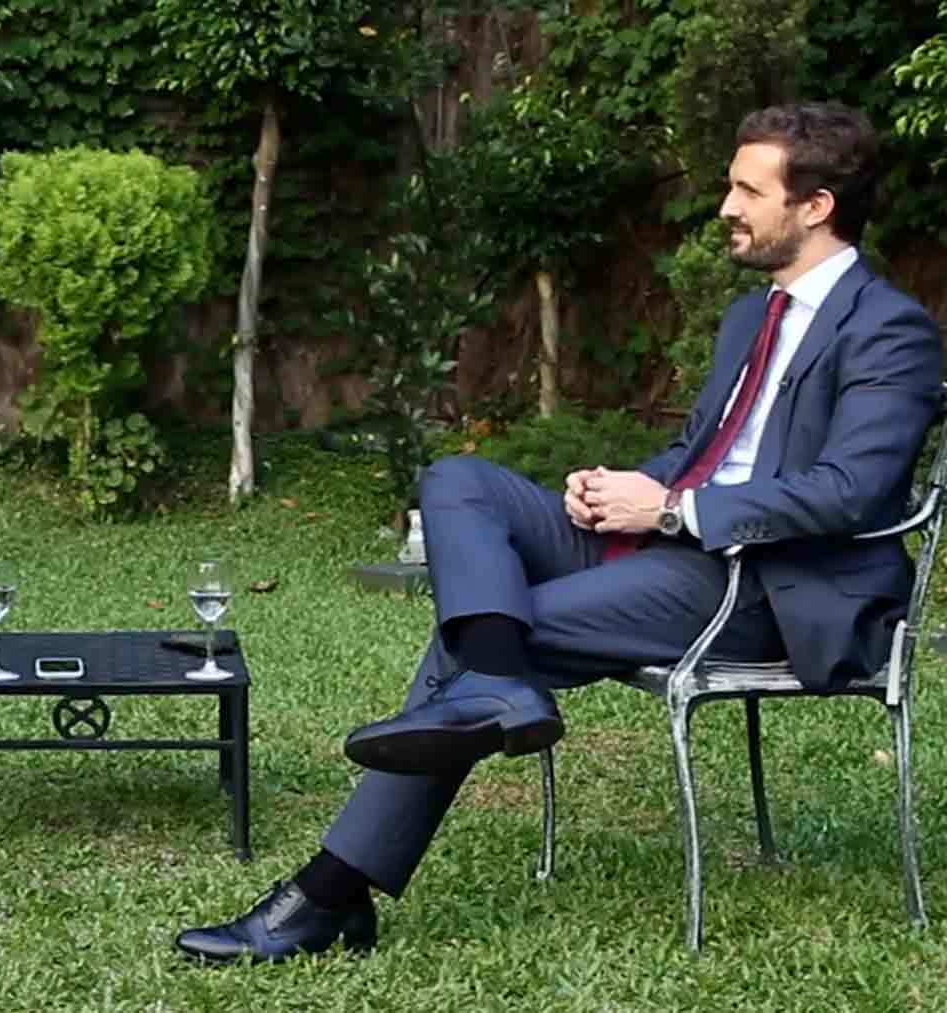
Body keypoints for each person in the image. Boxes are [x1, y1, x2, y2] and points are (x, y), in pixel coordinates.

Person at [174, 101, 942, 964]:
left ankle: (325, 895)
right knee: (460, 480)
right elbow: (705, 452)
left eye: (745, 188)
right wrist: (625, 487)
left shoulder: (889, 329)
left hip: (767, 586)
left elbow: (851, 491)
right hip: (676, 545)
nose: (725, 205)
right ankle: (498, 684)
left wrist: (669, 509)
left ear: (816, 206)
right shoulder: (749, 320)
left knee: (477, 635)